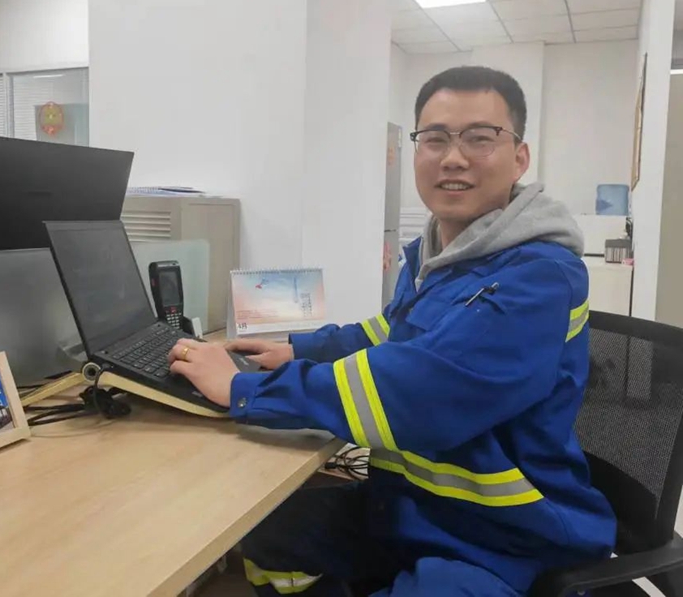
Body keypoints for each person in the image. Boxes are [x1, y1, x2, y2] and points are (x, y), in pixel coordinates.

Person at [168, 66, 616, 596]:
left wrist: (244, 388)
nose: (453, 157)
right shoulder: (439, 256)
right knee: (270, 530)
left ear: (519, 157)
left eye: (480, 137)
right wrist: (296, 350)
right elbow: (389, 335)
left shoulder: (539, 275)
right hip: (411, 508)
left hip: (501, 539)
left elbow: (418, 393)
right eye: (436, 138)